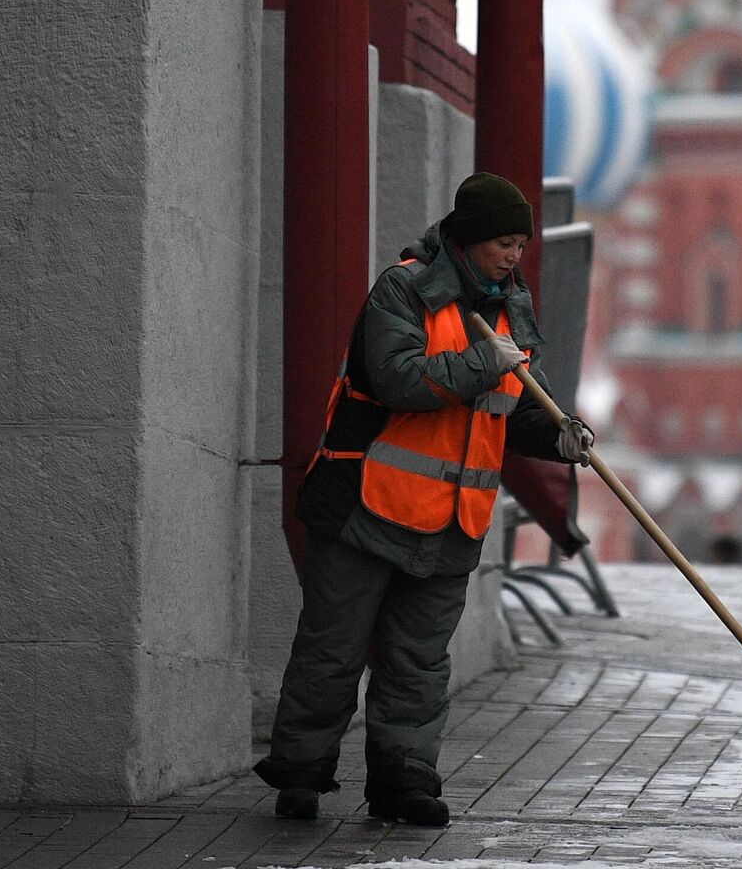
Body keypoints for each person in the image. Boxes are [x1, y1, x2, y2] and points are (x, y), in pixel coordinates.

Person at [254, 173, 595, 825]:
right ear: (467, 238)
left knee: (418, 664)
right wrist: (484, 364)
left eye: (521, 244)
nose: (513, 256)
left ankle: (404, 782)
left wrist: (560, 436)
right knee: (332, 649)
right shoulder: (405, 289)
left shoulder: (511, 311)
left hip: (451, 523)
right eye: (502, 242)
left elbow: (518, 410)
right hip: (366, 506)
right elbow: (396, 378)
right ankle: (299, 773)